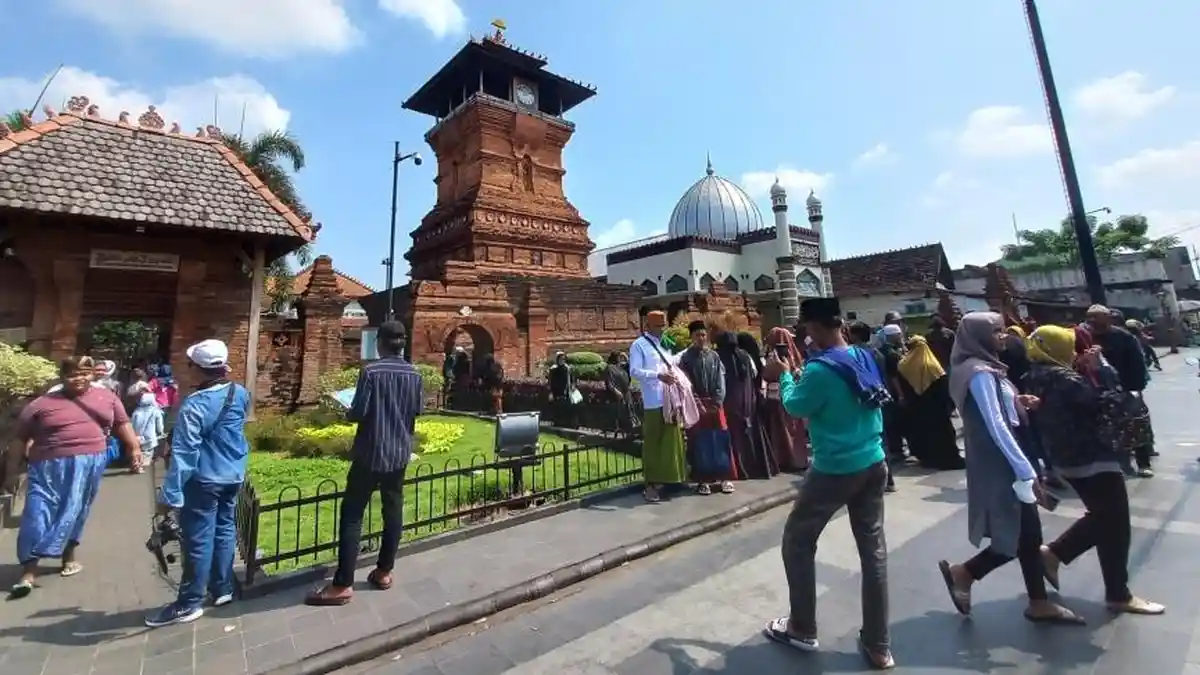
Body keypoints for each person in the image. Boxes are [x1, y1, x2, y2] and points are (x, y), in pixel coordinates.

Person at [763, 298, 894, 670]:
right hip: (874, 460)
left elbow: (794, 406)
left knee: (797, 541)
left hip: (836, 467)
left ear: (816, 328)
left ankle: (802, 628)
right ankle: (879, 644)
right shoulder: (863, 356)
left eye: (806, 330)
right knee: (874, 552)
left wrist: (784, 375)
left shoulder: (820, 371)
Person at [936, 312, 1080, 624]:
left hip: (1002, 456)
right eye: (997, 332)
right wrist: (1025, 469)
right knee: (1022, 530)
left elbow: (996, 411)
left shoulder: (982, 369)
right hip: (1003, 459)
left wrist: (1018, 401)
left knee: (1026, 530)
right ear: (978, 337)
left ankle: (1032, 598)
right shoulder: (979, 372)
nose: (1004, 337)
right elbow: (995, 424)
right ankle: (968, 574)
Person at [1024, 326, 1164, 616]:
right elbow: (1111, 402)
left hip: (1068, 458)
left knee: (1106, 520)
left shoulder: (1036, 375)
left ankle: (1108, 586)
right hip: (1092, 458)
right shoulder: (1064, 379)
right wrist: (1103, 369)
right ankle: (1070, 563)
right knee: (1114, 523)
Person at [306, 322, 423, 607]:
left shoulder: (371, 372)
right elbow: (417, 411)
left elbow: (358, 412)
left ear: (381, 343)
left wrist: (347, 409)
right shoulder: (414, 373)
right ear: (403, 344)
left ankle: (343, 583)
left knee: (353, 513)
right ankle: (384, 571)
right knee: (393, 509)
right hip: (398, 452)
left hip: (370, 452)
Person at [8, 356, 142, 598]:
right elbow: (19, 438)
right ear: (62, 378)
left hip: (90, 463)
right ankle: (28, 571)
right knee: (37, 513)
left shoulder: (107, 398)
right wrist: (12, 471)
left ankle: (68, 556)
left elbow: (123, 423)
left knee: (76, 510)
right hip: (46, 467)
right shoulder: (41, 403)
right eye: (72, 375)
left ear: (92, 374)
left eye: (84, 373)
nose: (78, 378)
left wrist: (134, 448)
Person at [144, 339, 249, 626]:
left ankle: (189, 603)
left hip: (205, 478)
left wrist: (171, 493)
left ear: (198, 369)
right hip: (233, 473)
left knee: (198, 540)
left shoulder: (195, 405)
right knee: (225, 529)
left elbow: (186, 453)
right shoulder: (239, 393)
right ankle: (222, 588)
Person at [628, 311, 690, 503]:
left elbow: (671, 363)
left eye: (664, 326)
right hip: (653, 401)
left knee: (672, 441)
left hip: (670, 399)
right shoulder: (639, 345)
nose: (662, 329)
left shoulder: (665, 344)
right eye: (658, 326)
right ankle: (651, 484)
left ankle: (672, 480)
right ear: (648, 326)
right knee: (654, 443)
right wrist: (657, 375)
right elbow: (635, 371)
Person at [1087, 305, 1154, 477]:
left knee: (1137, 424)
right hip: (1101, 391)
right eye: (1090, 317)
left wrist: (1136, 388)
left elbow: (1138, 363)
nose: (1093, 321)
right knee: (1111, 429)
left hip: (1126, 387)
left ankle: (1143, 463)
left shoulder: (1123, 337)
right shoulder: (1087, 337)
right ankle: (1119, 464)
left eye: (1097, 317)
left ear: (1107, 318)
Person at [678, 322, 736, 494]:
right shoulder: (686, 359)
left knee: (721, 440)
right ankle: (702, 480)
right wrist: (698, 403)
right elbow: (686, 384)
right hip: (698, 407)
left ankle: (724, 478)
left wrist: (718, 401)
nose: (701, 338)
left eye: (703, 335)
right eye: (697, 335)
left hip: (716, 405)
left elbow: (721, 381)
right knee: (699, 442)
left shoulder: (714, 357)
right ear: (692, 337)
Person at [897, 336, 963, 470]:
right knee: (943, 433)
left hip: (917, 408)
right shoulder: (932, 365)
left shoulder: (903, 365)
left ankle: (928, 459)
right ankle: (948, 459)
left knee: (925, 434)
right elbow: (943, 387)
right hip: (936, 408)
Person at [848, 321, 898, 493]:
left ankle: (872, 481)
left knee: (870, 441)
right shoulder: (877, 353)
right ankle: (888, 479)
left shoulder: (855, 355)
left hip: (866, 402)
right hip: (882, 399)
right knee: (882, 440)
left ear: (854, 335)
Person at [719, 331, 776, 480]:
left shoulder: (718, 357)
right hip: (748, 402)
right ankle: (755, 469)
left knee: (734, 437)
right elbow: (755, 374)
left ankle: (738, 471)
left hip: (729, 404)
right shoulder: (746, 356)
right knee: (750, 434)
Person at [762, 327, 810, 472]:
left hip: (779, 396)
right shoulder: (795, 355)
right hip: (791, 395)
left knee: (782, 430)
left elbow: (766, 375)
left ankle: (784, 460)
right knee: (793, 429)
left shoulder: (773, 356)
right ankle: (796, 459)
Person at [878, 324, 910, 465]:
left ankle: (896, 448)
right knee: (896, 421)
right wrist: (901, 394)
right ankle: (897, 450)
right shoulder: (891, 353)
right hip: (896, 392)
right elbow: (893, 376)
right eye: (899, 334)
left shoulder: (882, 350)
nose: (901, 336)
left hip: (888, 391)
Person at [131, 391, 167, 471]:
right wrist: (161, 432)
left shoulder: (136, 411)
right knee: (148, 452)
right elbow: (159, 425)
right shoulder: (156, 411)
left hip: (137, 436)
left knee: (139, 451)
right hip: (150, 437)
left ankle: (138, 465)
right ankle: (142, 465)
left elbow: (132, 424)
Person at [603, 351, 636, 434]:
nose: (620, 359)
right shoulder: (609, 368)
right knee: (619, 413)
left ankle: (630, 430)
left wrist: (625, 356)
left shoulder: (621, 367)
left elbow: (630, 366)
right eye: (618, 357)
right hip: (616, 395)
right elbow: (609, 382)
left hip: (626, 393)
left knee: (629, 411)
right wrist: (616, 391)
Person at [547, 352, 577, 428]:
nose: (562, 361)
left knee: (566, 407)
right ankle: (557, 423)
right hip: (556, 391)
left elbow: (573, 379)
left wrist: (573, 386)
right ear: (557, 360)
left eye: (563, 359)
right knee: (557, 408)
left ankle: (567, 423)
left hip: (566, 391)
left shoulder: (568, 368)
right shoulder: (553, 369)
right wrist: (550, 392)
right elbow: (550, 381)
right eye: (560, 359)